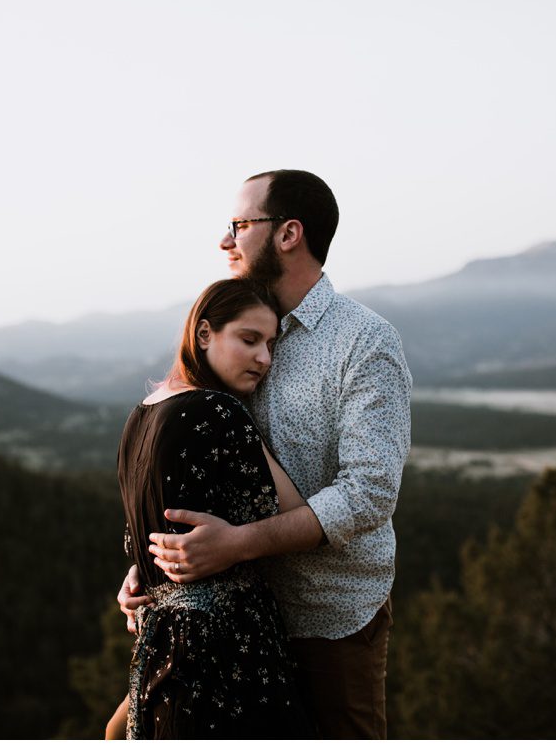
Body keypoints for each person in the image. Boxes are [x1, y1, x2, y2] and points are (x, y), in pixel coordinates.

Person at [119, 170, 412, 739]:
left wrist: (235, 545)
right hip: (225, 625)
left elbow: (368, 494)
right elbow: (189, 470)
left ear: (288, 234)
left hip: (329, 617)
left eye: (239, 225)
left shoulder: (364, 341)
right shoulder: (235, 328)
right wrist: (152, 570)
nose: (225, 241)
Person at [111, 277, 314, 739]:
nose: (264, 358)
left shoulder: (140, 414)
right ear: (204, 334)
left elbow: (142, 538)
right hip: (227, 653)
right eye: (249, 339)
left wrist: (142, 577)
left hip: (159, 642)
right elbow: (296, 514)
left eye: (270, 344)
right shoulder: (216, 412)